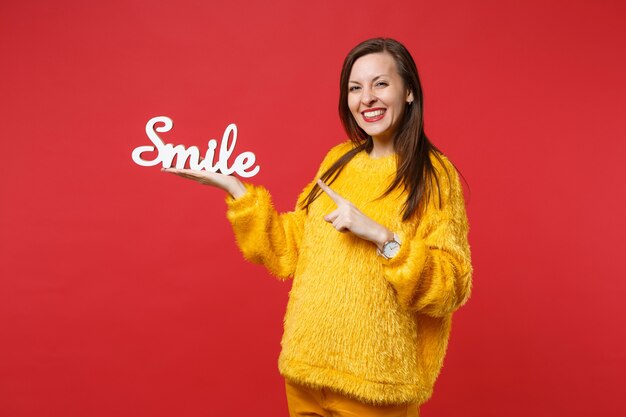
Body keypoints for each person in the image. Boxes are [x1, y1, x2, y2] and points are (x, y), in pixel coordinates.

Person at [163, 37, 473, 417]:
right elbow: (288, 249)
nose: (367, 98)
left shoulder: (435, 176)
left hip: (375, 387)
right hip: (306, 374)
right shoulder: (338, 159)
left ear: (408, 91)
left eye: (380, 83)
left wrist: (380, 236)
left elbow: (451, 287)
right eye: (355, 88)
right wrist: (236, 190)